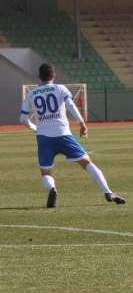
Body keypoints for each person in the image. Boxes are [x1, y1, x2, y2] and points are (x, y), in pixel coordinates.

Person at [19, 63, 126, 208]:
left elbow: (22, 119)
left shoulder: (31, 94)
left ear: (39, 77)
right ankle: (108, 192)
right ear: (53, 76)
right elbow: (70, 105)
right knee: (87, 163)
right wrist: (81, 123)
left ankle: (52, 189)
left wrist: (35, 127)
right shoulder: (60, 88)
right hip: (63, 134)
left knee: (46, 171)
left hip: (44, 137)